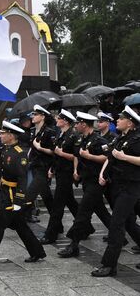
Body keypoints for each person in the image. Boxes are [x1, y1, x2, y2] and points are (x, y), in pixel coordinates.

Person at [0, 121, 46, 271]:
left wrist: (19, 200)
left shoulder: (19, 154)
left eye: (3, 133)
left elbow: (22, 179)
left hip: (12, 197)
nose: (1, 135)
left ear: (11, 136)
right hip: (6, 192)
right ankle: (37, 251)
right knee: (20, 225)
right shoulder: (7, 148)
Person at [92, 106, 140, 277]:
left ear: (130, 122)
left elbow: (123, 157)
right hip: (117, 185)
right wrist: (102, 173)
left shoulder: (137, 138)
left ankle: (109, 265)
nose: (117, 120)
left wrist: (124, 157)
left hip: (131, 187)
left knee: (116, 224)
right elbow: (110, 156)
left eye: (121, 118)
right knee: (128, 223)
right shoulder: (121, 138)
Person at [58, 111, 112, 258]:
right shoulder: (82, 139)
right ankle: (124, 237)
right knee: (102, 213)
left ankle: (73, 245)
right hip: (86, 180)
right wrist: (76, 170)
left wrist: (90, 156)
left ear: (84, 124)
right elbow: (77, 155)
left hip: (96, 182)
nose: (75, 125)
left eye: (77, 123)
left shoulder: (99, 140)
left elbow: (108, 158)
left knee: (82, 213)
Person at [40, 109, 80, 244]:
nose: (56, 120)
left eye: (59, 118)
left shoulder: (72, 135)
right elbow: (56, 155)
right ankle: (85, 227)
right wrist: (52, 169)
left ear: (65, 121)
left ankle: (51, 234)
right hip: (60, 171)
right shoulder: (60, 134)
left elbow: (76, 156)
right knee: (71, 202)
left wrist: (62, 154)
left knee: (57, 205)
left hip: (67, 174)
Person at [26, 105, 56, 223]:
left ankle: (19, 218)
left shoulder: (49, 131)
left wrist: (40, 147)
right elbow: (31, 148)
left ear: (42, 116)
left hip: (43, 167)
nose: (33, 117)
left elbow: (53, 151)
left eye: (35, 114)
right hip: (34, 165)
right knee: (46, 197)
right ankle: (56, 223)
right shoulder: (33, 131)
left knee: (30, 193)